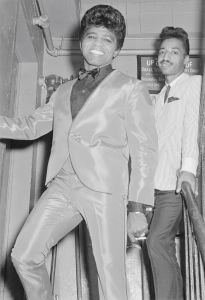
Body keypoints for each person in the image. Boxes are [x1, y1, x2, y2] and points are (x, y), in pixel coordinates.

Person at [0, 5, 157, 300]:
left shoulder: (131, 89)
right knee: (24, 255)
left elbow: (145, 149)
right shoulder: (61, 91)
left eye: (107, 39)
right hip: (62, 184)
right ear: (82, 41)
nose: (98, 43)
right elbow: (30, 126)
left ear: (116, 50)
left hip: (105, 191)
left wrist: (139, 207)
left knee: (110, 281)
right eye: (92, 36)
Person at [146, 27, 201, 300]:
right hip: (154, 187)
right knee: (160, 245)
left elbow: (192, 125)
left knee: (157, 241)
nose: (166, 56)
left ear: (186, 60)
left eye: (174, 51)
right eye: (163, 51)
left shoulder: (193, 84)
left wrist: (189, 169)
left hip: (175, 185)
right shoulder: (158, 97)